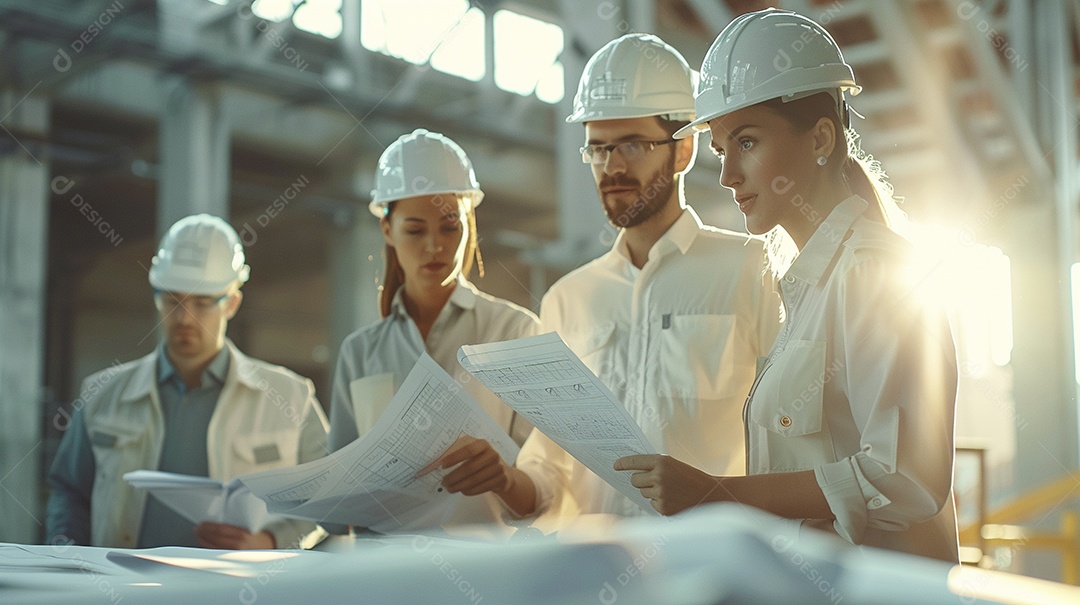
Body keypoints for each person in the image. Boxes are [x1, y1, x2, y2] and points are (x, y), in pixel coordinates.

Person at [615, 9, 960, 562]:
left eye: (747, 143)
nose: (727, 176)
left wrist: (718, 494)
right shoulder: (805, 290)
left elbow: (904, 479)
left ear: (821, 136)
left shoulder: (873, 273)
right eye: (723, 151)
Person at [487, 33, 781, 522]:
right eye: (597, 149)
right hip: (594, 575)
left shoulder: (756, 271)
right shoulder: (567, 300)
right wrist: (503, 480)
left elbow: (787, 445)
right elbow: (549, 471)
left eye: (632, 144)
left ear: (683, 150)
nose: (612, 166)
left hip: (713, 576)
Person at [46, 214, 330, 550]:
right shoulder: (101, 395)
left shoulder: (290, 398)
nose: (183, 318)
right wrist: (67, 554)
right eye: (172, 300)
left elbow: (329, 499)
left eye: (202, 302)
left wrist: (270, 541)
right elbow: (69, 492)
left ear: (232, 303)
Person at [329, 128, 540, 535]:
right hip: (384, 581)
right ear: (387, 231)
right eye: (414, 230)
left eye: (449, 227)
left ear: (469, 224)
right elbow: (337, 510)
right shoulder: (359, 354)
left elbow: (545, 491)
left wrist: (504, 478)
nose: (434, 246)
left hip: (485, 577)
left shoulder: (514, 332)